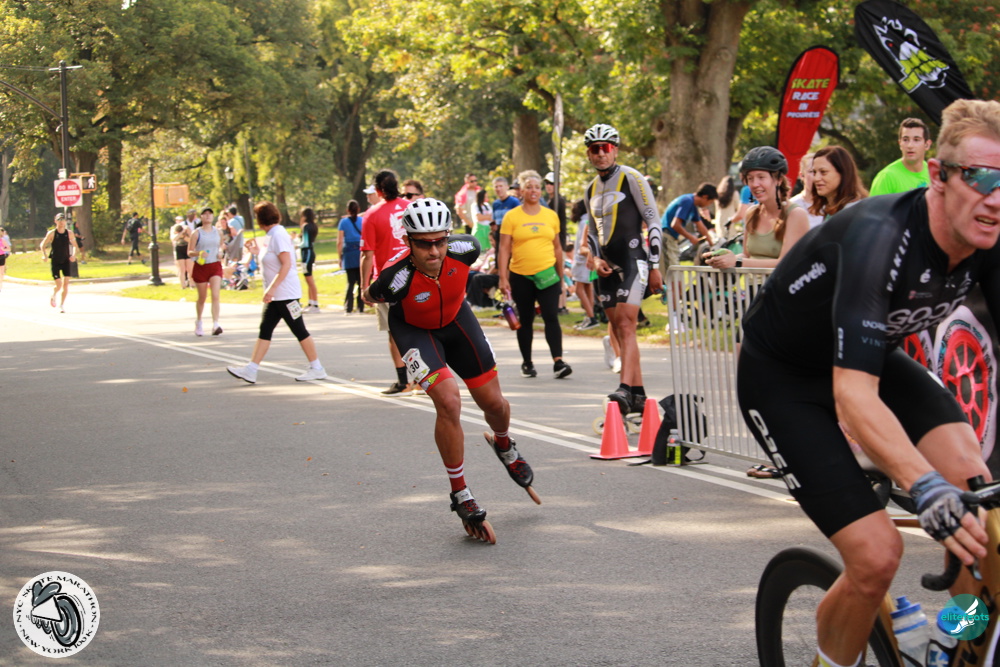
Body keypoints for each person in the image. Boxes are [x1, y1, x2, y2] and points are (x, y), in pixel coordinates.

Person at [736, 99, 1000, 667]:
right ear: (938, 175)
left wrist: (950, 488)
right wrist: (924, 485)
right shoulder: (880, 235)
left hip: (870, 357)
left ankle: (955, 638)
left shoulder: (989, 235)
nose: (996, 197)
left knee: (983, 512)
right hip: (782, 378)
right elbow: (852, 395)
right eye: (981, 177)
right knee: (878, 555)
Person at [363, 198, 539, 542]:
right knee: (449, 400)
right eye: (423, 244)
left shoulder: (466, 249)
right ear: (408, 241)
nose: (434, 251)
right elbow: (370, 295)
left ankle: (505, 445)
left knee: (494, 404)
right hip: (415, 331)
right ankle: (461, 493)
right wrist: (372, 287)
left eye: (440, 241)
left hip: (458, 322)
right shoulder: (395, 278)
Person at [582, 123, 662, 415]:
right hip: (607, 266)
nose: (601, 153)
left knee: (627, 324)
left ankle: (625, 388)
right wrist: (595, 259)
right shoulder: (590, 188)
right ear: (589, 154)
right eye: (595, 149)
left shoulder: (632, 178)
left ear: (615, 150)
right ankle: (638, 395)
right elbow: (592, 233)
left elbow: (653, 221)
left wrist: (655, 266)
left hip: (633, 259)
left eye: (606, 148)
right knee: (618, 327)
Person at [227, 201, 328, 384]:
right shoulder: (271, 235)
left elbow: (286, 263)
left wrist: (272, 288)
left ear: (261, 219)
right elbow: (272, 258)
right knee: (265, 329)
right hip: (277, 296)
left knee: (299, 330)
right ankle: (251, 369)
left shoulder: (278, 234)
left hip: (285, 294)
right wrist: (256, 251)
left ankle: (317, 368)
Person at [497, 169, 572, 380]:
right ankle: (527, 363)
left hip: (547, 274)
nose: (533, 191)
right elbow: (504, 248)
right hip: (521, 275)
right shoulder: (512, 216)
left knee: (551, 316)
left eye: (537, 187)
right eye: (528, 187)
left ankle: (558, 362)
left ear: (541, 191)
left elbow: (557, 248)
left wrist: (561, 277)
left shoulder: (550, 216)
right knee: (526, 318)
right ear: (521, 191)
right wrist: (503, 277)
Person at [703, 146, 809, 270]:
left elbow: (786, 262)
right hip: (751, 282)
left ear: (779, 180)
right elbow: (747, 256)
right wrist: (725, 258)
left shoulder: (795, 214)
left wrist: (737, 262)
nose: (754, 184)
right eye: (750, 178)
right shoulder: (752, 213)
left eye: (761, 177)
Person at [359, 169, 414, 394]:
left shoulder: (371, 215)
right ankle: (424, 379)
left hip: (387, 280)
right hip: (415, 275)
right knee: (421, 328)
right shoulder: (411, 207)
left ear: (378, 190)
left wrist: (364, 287)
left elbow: (367, 255)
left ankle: (403, 381)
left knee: (395, 333)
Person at [869, 117, 934, 196]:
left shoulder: (934, 174)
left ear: (927, 145)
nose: (910, 145)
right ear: (900, 144)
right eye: (905, 140)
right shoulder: (886, 177)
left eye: (916, 140)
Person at [809, 145, 868, 221]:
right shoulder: (830, 209)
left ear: (843, 173)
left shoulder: (853, 211)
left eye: (823, 172)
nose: (816, 178)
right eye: (814, 172)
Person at [189, 207, 224, 336]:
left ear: (213, 217)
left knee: (215, 295)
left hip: (215, 266)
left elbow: (221, 246)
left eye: (210, 214)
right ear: (201, 217)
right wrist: (199, 253)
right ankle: (199, 322)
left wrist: (221, 252)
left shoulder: (218, 232)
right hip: (201, 266)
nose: (208, 216)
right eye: (205, 214)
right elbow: (189, 251)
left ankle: (216, 324)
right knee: (202, 297)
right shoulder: (196, 233)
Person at [39, 213, 79, 312]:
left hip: (66, 260)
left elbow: (75, 245)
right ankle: (53, 294)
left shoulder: (69, 233)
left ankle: (62, 305)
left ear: (65, 221)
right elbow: (42, 244)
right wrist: (44, 255)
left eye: (63, 220)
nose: (61, 222)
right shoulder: (52, 233)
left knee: (66, 284)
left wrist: (73, 255)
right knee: (59, 284)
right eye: (59, 220)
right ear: (55, 221)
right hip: (56, 260)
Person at [569, 199, 599, 330]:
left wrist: (579, 257)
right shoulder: (590, 220)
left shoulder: (584, 222)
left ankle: (591, 317)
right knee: (588, 287)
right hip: (589, 258)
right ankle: (590, 315)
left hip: (582, 259)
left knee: (579, 289)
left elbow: (583, 244)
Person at [337, 200, 364, 314]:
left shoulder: (343, 222)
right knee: (360, 281)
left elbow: (340, 241)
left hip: (348, 253)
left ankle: (348, 307)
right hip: (360, 252)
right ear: (358, 209)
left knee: (350, 282)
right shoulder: (362, 220)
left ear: (347, 210)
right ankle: (361, 306)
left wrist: (340, 257)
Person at [788, 153, 825, 229]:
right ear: (802, 175)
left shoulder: (831, 205)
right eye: (812, 171)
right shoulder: (792, 206)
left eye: (822, 172)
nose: (817, 177)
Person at [299, 207, 320, 312]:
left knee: (309, 279)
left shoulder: (306, 226)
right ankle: (311, 302)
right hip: (309, 252)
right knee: (308, 280)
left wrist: (295, 244)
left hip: (307, 253)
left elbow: (305, 242)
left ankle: (315, 304)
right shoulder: (312, 226)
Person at [491, 176, 520, 247]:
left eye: (501, 186)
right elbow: (494, 220)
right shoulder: (495, 204)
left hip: (511, 236)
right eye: (496, 187)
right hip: (499, 236)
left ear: (507, 187)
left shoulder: (514, 202)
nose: (498, 189)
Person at [543, 171, 568, 250]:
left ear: (559, 184)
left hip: (557, 242)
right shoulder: (550, 200)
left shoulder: (558, 201)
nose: (548, 186)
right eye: (547, 183)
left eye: (552, 183)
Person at [170, 219, 193, 288]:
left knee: (190, 268)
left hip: (187, 248)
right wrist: (181, 233)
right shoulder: (173, 228)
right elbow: (174, 239)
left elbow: (191, 240)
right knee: (182, 269)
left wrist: (185, 235)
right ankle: (183, 285)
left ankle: (191, 284)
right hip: (179, 248)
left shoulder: (187, 228)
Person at [0, 227, 9, 292]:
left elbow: (8, 248)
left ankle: (0, 285)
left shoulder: (2, 240)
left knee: (1, 272)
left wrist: (3, 249)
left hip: (1, 257)